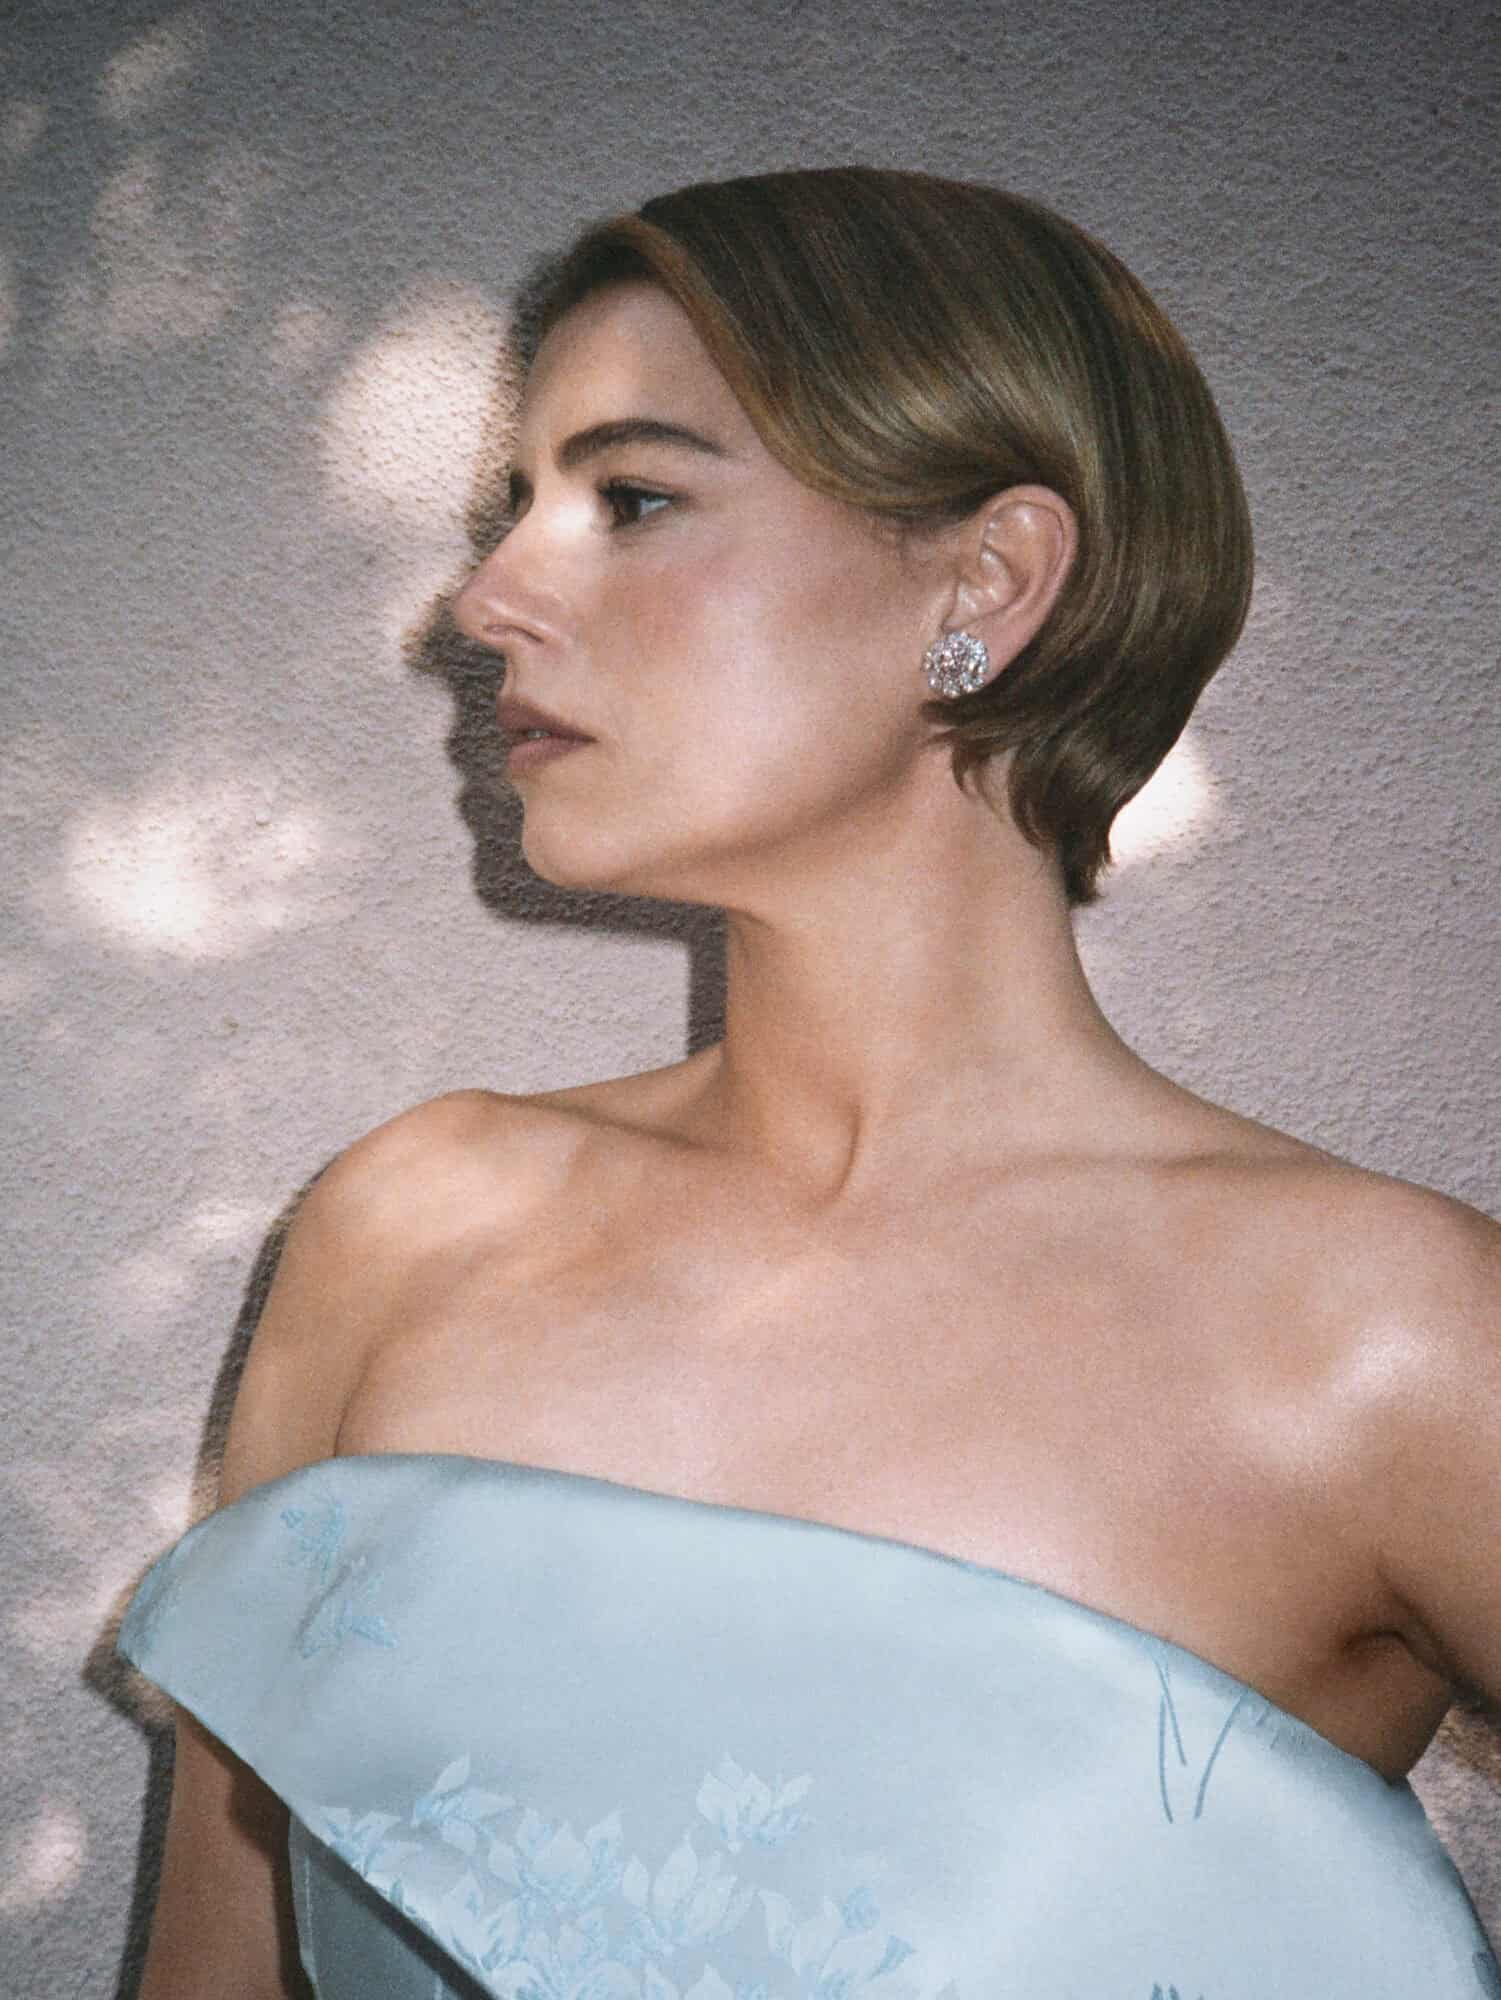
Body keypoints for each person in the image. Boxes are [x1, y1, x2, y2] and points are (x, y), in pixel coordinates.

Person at [120, 167, 1501, 1999]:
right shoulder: (406, 1227)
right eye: (513, 509)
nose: (483, 600)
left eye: (630, 499)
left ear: (985, 582)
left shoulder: (1387, 1335)